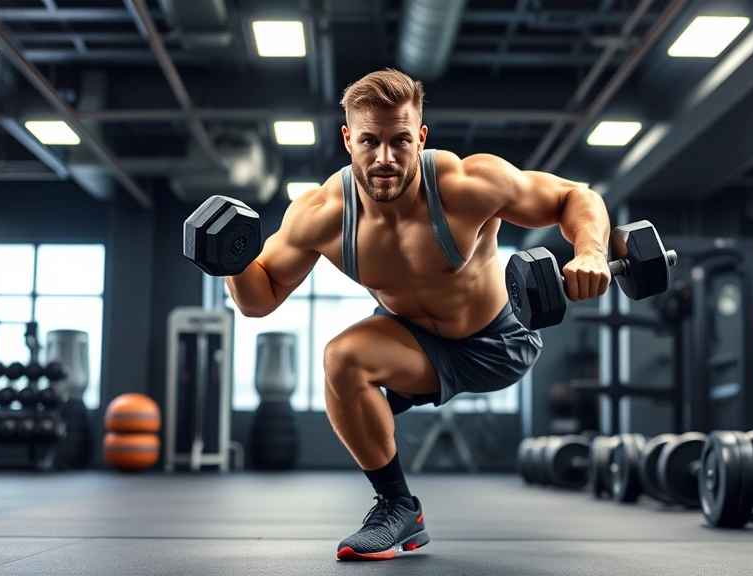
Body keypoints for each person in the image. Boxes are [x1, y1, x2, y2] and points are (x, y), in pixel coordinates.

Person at [225, 68, 612, 560]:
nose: (385, 158)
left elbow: (572, 196)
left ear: (421, 136)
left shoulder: (467, 184)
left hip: (498, 344)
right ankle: (397, 506)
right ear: (348, 139)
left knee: (357, 379)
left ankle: (393, 399)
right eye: (369, 141)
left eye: (400, 141)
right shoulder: (321, 214)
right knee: (342, 358)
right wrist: (232, 261)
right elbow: (259, 299)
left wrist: (592, 250)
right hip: (412, 343)